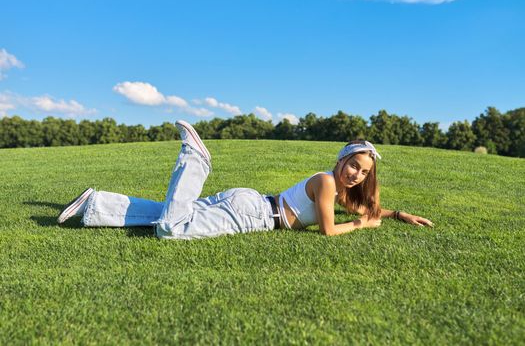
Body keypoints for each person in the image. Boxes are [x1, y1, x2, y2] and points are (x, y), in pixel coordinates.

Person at [57, 120, 433, 239]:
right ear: (341, 161)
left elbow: (367, 208)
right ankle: (196, 160)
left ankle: (94, 203)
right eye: (354, 165)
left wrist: (396, 214)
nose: (357, 174)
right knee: (171, 229)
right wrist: (362, 223)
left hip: (252, 203)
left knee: (165, 214)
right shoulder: (327, 182)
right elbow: (329, 232)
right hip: (254, 215)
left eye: (364, 171)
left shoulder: (335, 186)